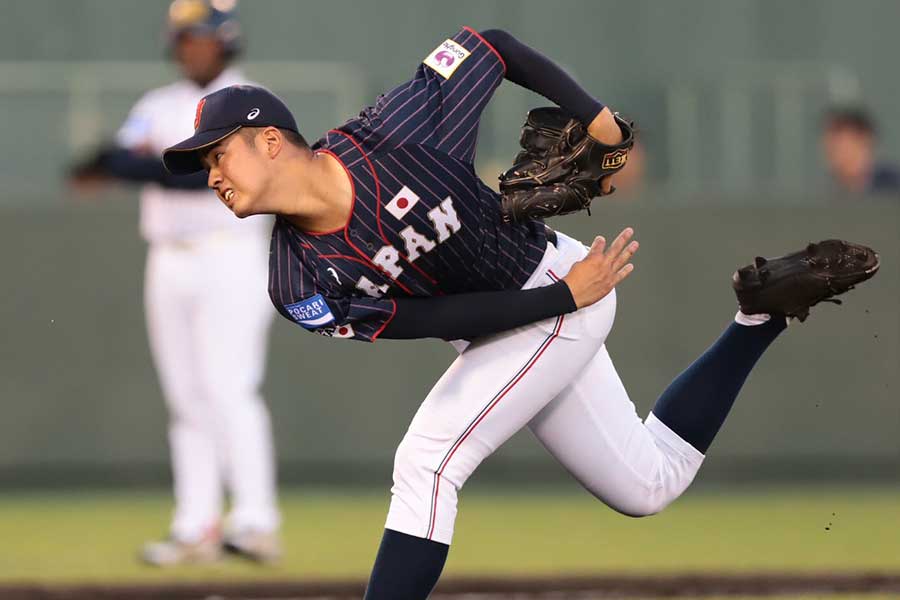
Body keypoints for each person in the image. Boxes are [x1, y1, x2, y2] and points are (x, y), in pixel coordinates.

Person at [162, 27, 879, 598]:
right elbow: (432, 315)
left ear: (268, 140)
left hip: (560, 286)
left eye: (216, 155)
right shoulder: (297, 284)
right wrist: (558, 301)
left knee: (428, 462)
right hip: (535, 306)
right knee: (647, 486)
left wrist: (599, 123)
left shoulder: (398, 133)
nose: (212, 176)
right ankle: (758, 317)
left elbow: (491, 44)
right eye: (202, 167)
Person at [68, 0, 281, 565]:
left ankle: (256, 521)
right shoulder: (158, 104)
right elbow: (117, 158)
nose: (193, 48)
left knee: (228, 387)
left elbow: (193, 176)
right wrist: (129, 163)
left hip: (230, 254)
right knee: (186, 398)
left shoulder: (247, 102)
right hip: (169, 258)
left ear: (226, 41)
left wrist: (143, 164)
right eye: (185, 40)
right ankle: (196, 526)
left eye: (203, 38)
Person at [821, 106, 900, 195]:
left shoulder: (893, 186)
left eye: (840, 148)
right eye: (830, 151)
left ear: (865, 141)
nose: (836, 158)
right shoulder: (831, 195)